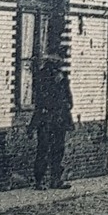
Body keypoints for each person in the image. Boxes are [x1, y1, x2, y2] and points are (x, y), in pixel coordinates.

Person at [31, 56, 74, 190]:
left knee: (57, 150)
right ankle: (41, 181)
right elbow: (41, 101)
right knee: (44, 150)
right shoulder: (43, 79)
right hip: (47, 119)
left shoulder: (61, 78)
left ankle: (54, 180)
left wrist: (65, 106)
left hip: (57, 120)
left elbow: (69, 99)